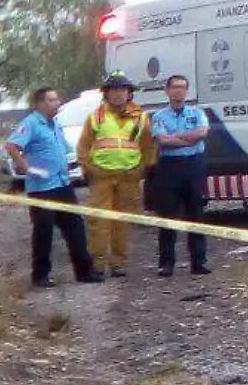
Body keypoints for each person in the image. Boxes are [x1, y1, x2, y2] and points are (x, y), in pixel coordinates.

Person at [6, 86, 104, 289]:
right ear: (39, 103)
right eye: (51, 100)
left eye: (57, 99)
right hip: (42, 189)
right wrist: (25, 168)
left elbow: (63, 150)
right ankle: (41, 276)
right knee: (44, 233)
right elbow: (12, 146)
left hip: (62, 185)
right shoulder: (31, 123)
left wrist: (70, 169)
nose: (56, 103)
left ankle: (84, 271)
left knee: (76, 228)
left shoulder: (55, 124)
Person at [75, 72, 155, 278]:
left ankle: (118, 263)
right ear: (106, 94)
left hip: (129, 177)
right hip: (101, 177)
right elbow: (83, 146)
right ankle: (98, 264)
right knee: (98, 222)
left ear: (129, 94)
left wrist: (143, 169)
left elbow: (148, 147)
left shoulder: (141, 117)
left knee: (122, 221)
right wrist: (89, 169)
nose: (118, 95)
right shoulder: (96, 117)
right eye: (114, 91)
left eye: (123, 90)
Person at [147, 74, 211, 276]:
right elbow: (163, 141)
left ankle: (198, 262)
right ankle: (166, 264)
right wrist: (188, 139)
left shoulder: (197, 112)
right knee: (167, 217)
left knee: (196, 215)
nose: (179, 91)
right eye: (175, 87)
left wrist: (176, 137)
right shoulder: (158, 116)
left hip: (193, 165)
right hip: (169, 167)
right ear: (167, 91)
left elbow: (202, 133)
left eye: (183, 87)